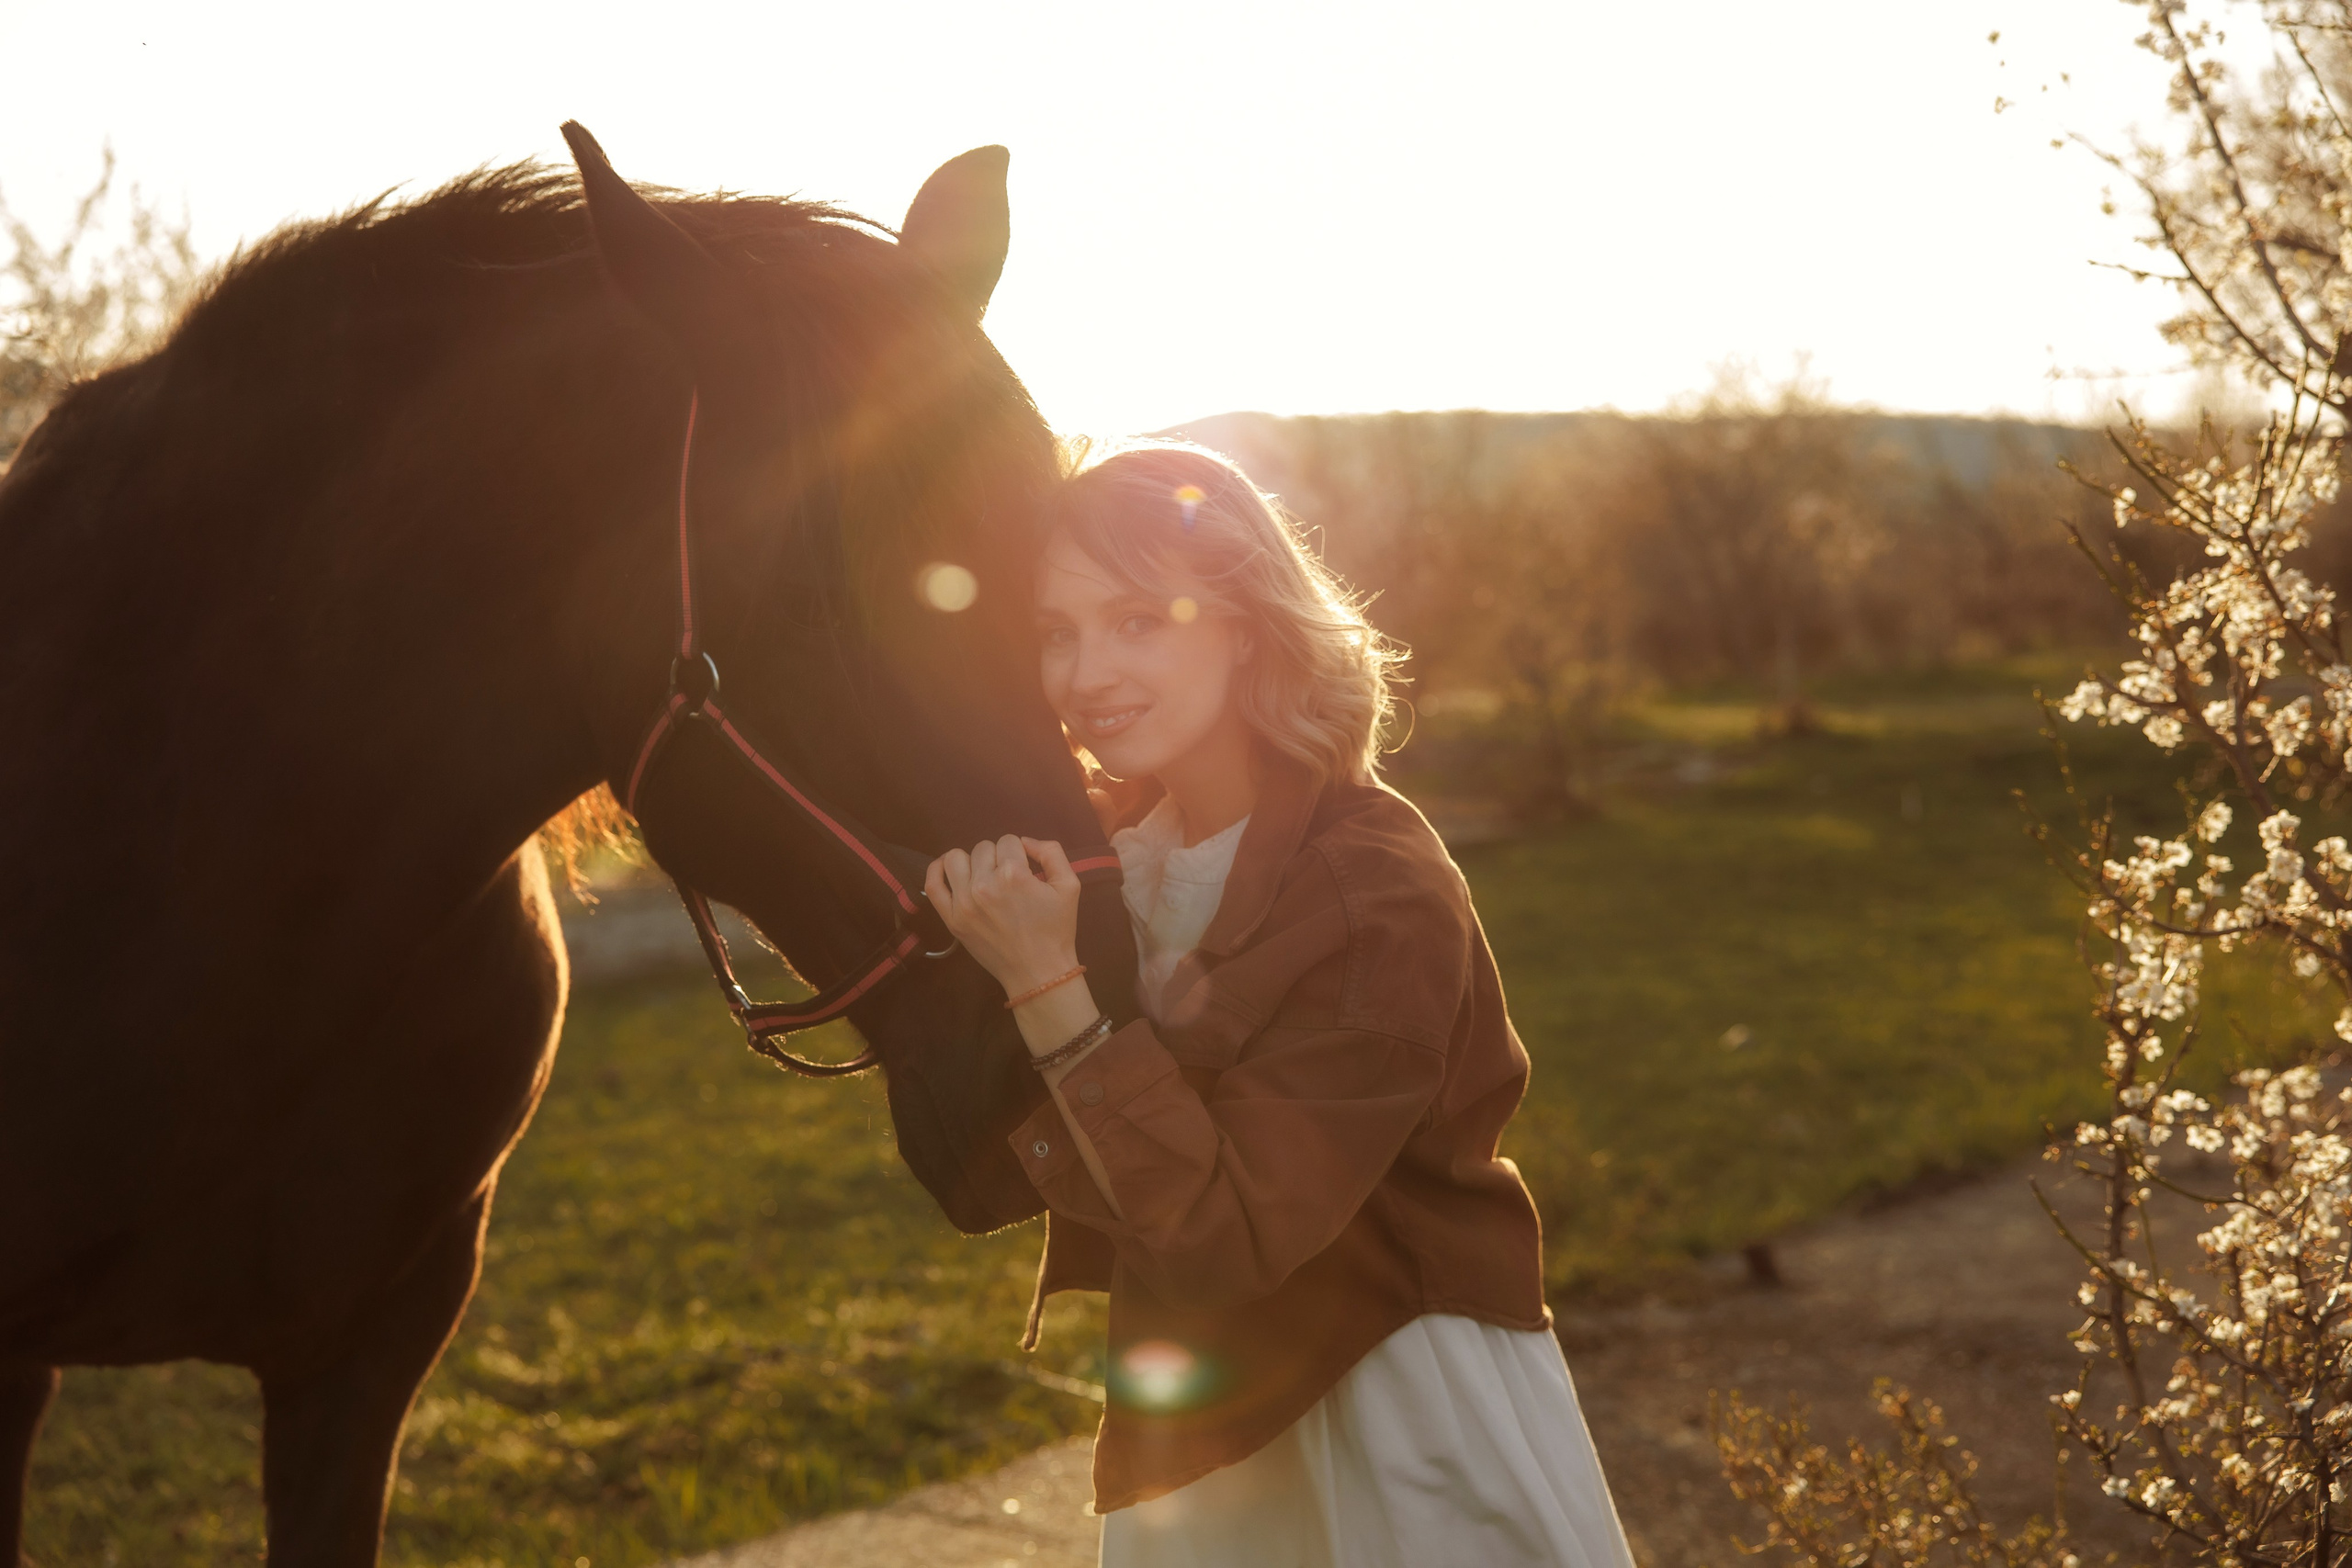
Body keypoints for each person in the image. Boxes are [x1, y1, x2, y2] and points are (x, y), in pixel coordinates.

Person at [924, 442, 1634, 1568]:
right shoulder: (1106, 859)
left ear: (1245, 623)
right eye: (1057, 632)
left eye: (1138, 619)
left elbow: (1222, 1237)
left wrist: (1045, 987)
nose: (1086, 671)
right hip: (1202, 1426)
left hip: (1392, 1415)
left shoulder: (1372, 887)